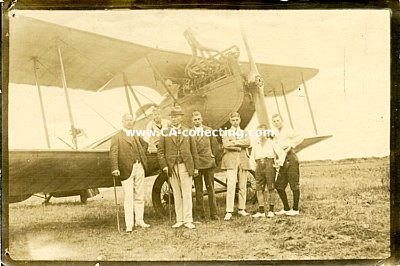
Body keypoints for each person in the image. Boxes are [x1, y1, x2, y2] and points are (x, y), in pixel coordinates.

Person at [158, 106, 199, 229]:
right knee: (176, 193)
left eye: (176, 116)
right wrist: (164, 166)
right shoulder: (165, 132)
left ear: (181, 117)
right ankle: (179, 219)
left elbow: (194, 151)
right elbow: (160, 152)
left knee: (187, 193)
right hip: (172, 167)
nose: (174, 119)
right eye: (172, 116)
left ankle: (188, 220)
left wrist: (196, 167)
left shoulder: (188, 131)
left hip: (185, 165)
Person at [110, 113, 150, 233]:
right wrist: (115, 168)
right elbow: (113, 153)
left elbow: (145, 144)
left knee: (140, 194)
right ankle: (129, 224)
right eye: (127, 120)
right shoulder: (117, 137)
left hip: (139, 166)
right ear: (122, 122)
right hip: (126, 168)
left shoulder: (136, 134)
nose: (129, 122)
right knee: (128, 196)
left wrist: (142, 155)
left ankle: (139, 220)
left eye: (131, 120)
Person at [250, 124, 286, 218]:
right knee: (259, 189)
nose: (261, 134)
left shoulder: (271, 143)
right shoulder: (256, 144)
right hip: (259, 166)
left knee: (271, 188)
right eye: (259, 132)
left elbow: (281, 153)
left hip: (269, 165)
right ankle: (261, 211)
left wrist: (278, 163)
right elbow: (252, 158)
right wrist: (255, 168)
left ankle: (271, 210)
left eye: (263, 131)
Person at [271, 114, 304, 216]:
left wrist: (291, 145)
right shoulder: (275, 133)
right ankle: (286, 208)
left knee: (294, 184)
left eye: (278, 120)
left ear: (282, 120)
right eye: (274, 121)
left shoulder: (288, 130)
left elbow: (300, 137)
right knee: (279, 186)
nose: (276, 123)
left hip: (290, 158)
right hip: (282, 160)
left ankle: (295, 209)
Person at [221, 112, 251, 221]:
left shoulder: (244, 132)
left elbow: (248, 142)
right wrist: (239, 146)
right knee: (231, 185)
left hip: (243, 160)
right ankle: (229, 211)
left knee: (243, 185)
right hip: (231, 160)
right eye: (233, 120)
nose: (235, 122)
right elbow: (226, 145)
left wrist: (234, 142)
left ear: (240, 120)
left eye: (236, 119)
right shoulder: (226, 133)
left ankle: (241, 209)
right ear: (230, 121)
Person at [191, 111, 221, 220]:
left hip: (208, 163)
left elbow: (215, 147)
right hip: (197, 165)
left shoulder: (209, 131)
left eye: (199, 119)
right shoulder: (189, 133)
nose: (197, 121)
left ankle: (214, 213)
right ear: (192, 121)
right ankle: (200, 214)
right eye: (195, 119)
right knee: (198, 190)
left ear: (202, 119)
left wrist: (213, 158)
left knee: (211, 189)